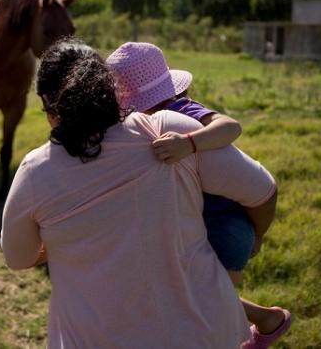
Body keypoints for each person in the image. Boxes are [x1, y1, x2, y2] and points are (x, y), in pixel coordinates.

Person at [1, 39, 278, 348]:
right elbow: (263, 190)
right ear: (108, 88)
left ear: (51, 107)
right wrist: (257, 237)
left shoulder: (35, 171)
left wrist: (67, 237)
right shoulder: (171, 130)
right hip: (208, 334)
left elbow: (18, 258)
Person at [107, 42, 291, 347]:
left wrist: (189, 142)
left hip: (225, 226)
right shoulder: (141, 128)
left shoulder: (183, 111)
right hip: (198, 223)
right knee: (197, 296)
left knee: (208, 306)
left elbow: (230, 126)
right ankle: (265, 319)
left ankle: (264, 324)